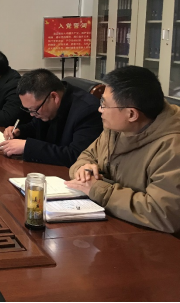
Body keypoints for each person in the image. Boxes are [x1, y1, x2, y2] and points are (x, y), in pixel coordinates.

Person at [65, 66, 180, 234]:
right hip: (113, 225)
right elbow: (88, 155)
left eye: (104, 104)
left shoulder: (172, 147)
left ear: (131, 114)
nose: (100, 109)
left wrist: (98, 190)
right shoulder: (116, 127)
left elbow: (163, 213)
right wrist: (84, 169)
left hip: (152, 240)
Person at [0, 69, 102, 167]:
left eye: (34, 109)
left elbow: (76, 155)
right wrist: (19, 131)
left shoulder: (88, 111)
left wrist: (27, 147)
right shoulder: (45, 103)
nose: (31, 114)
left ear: (54, 97)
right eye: (28, 109)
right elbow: (36, 126)